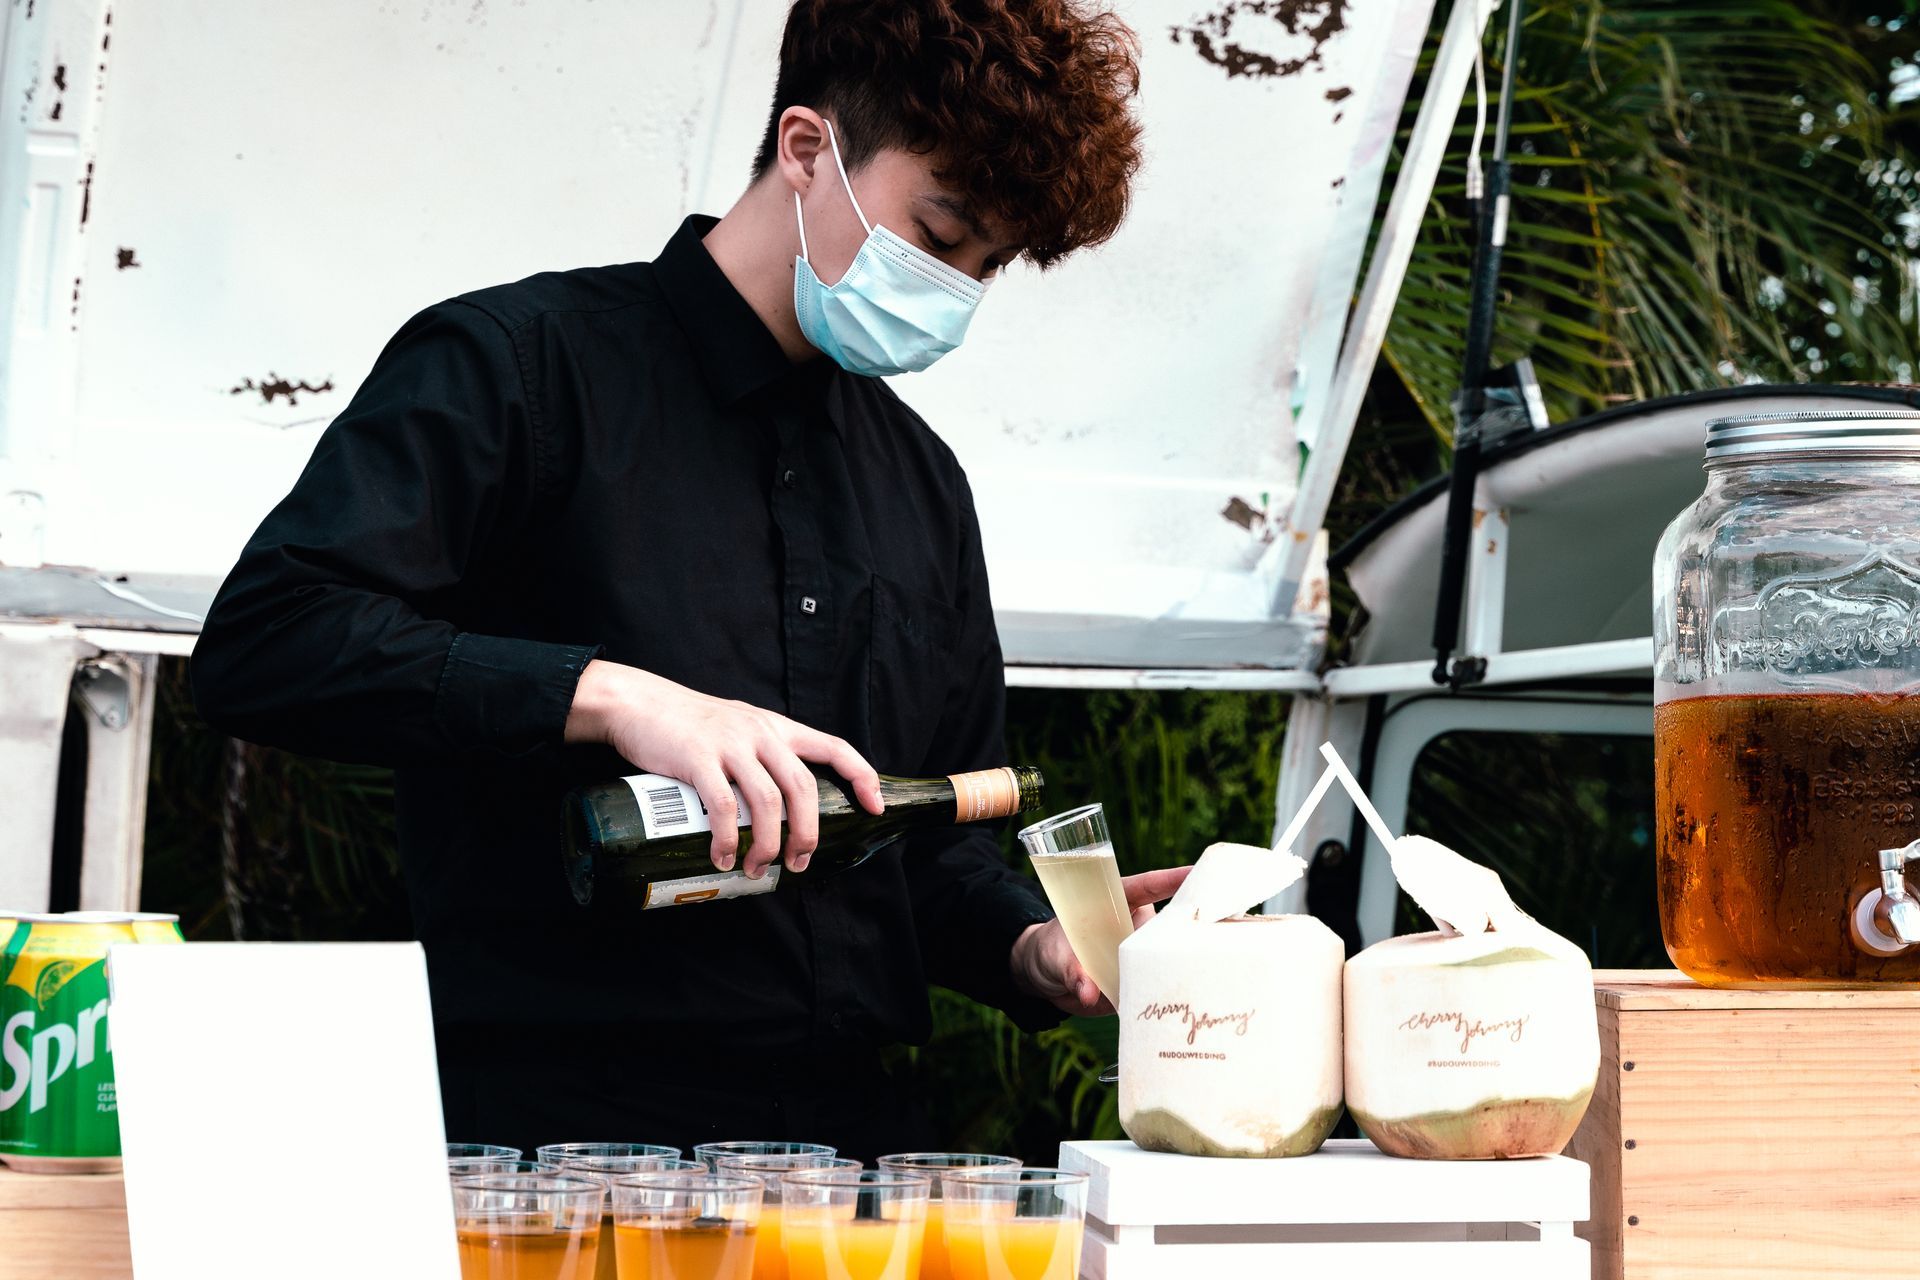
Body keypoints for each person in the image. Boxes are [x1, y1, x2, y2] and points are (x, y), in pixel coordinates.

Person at [191, 0, 1184, 1162]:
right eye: (940, 231)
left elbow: (929, 836)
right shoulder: (519, 367)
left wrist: (1034, 945)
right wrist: (612, 695)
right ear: (809, 150)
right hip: (555, 1157)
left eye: (987, 265)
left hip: (851, 1164)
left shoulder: (924, 484)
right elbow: (269, 639)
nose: (956, 289)